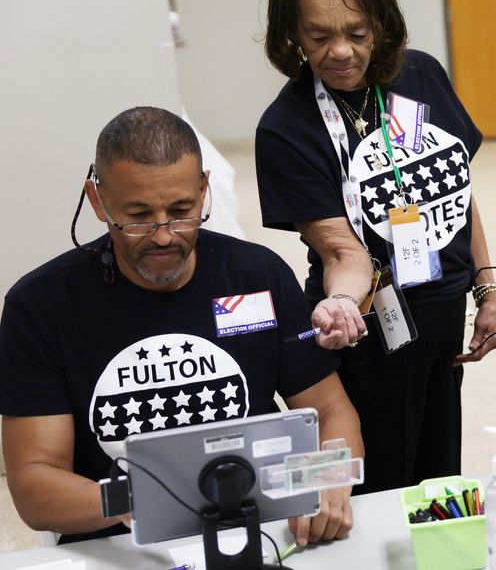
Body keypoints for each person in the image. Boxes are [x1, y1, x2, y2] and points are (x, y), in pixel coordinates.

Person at [0, 107, 362, 548]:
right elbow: (35, 485)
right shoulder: (41, 306)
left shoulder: (256, 275)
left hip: (263, 527)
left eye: (182, 210)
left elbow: (330, 411)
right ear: (97, 200)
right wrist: (145, 497)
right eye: (137, 216)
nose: (164, 235)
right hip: (120, 541)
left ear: (203, 189)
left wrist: (326, 479)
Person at [255, 0, 496, 494]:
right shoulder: (287, 128)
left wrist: (486, 288)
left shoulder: (421, 77)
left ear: (382, 25)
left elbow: (456, 189)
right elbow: (341, 250)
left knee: (439, 475)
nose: (340, 51)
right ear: (292, 34)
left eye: (358, 33)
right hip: (367, 326)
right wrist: (341, 303)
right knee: (382, 482)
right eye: (319, 37)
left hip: (442, 308)